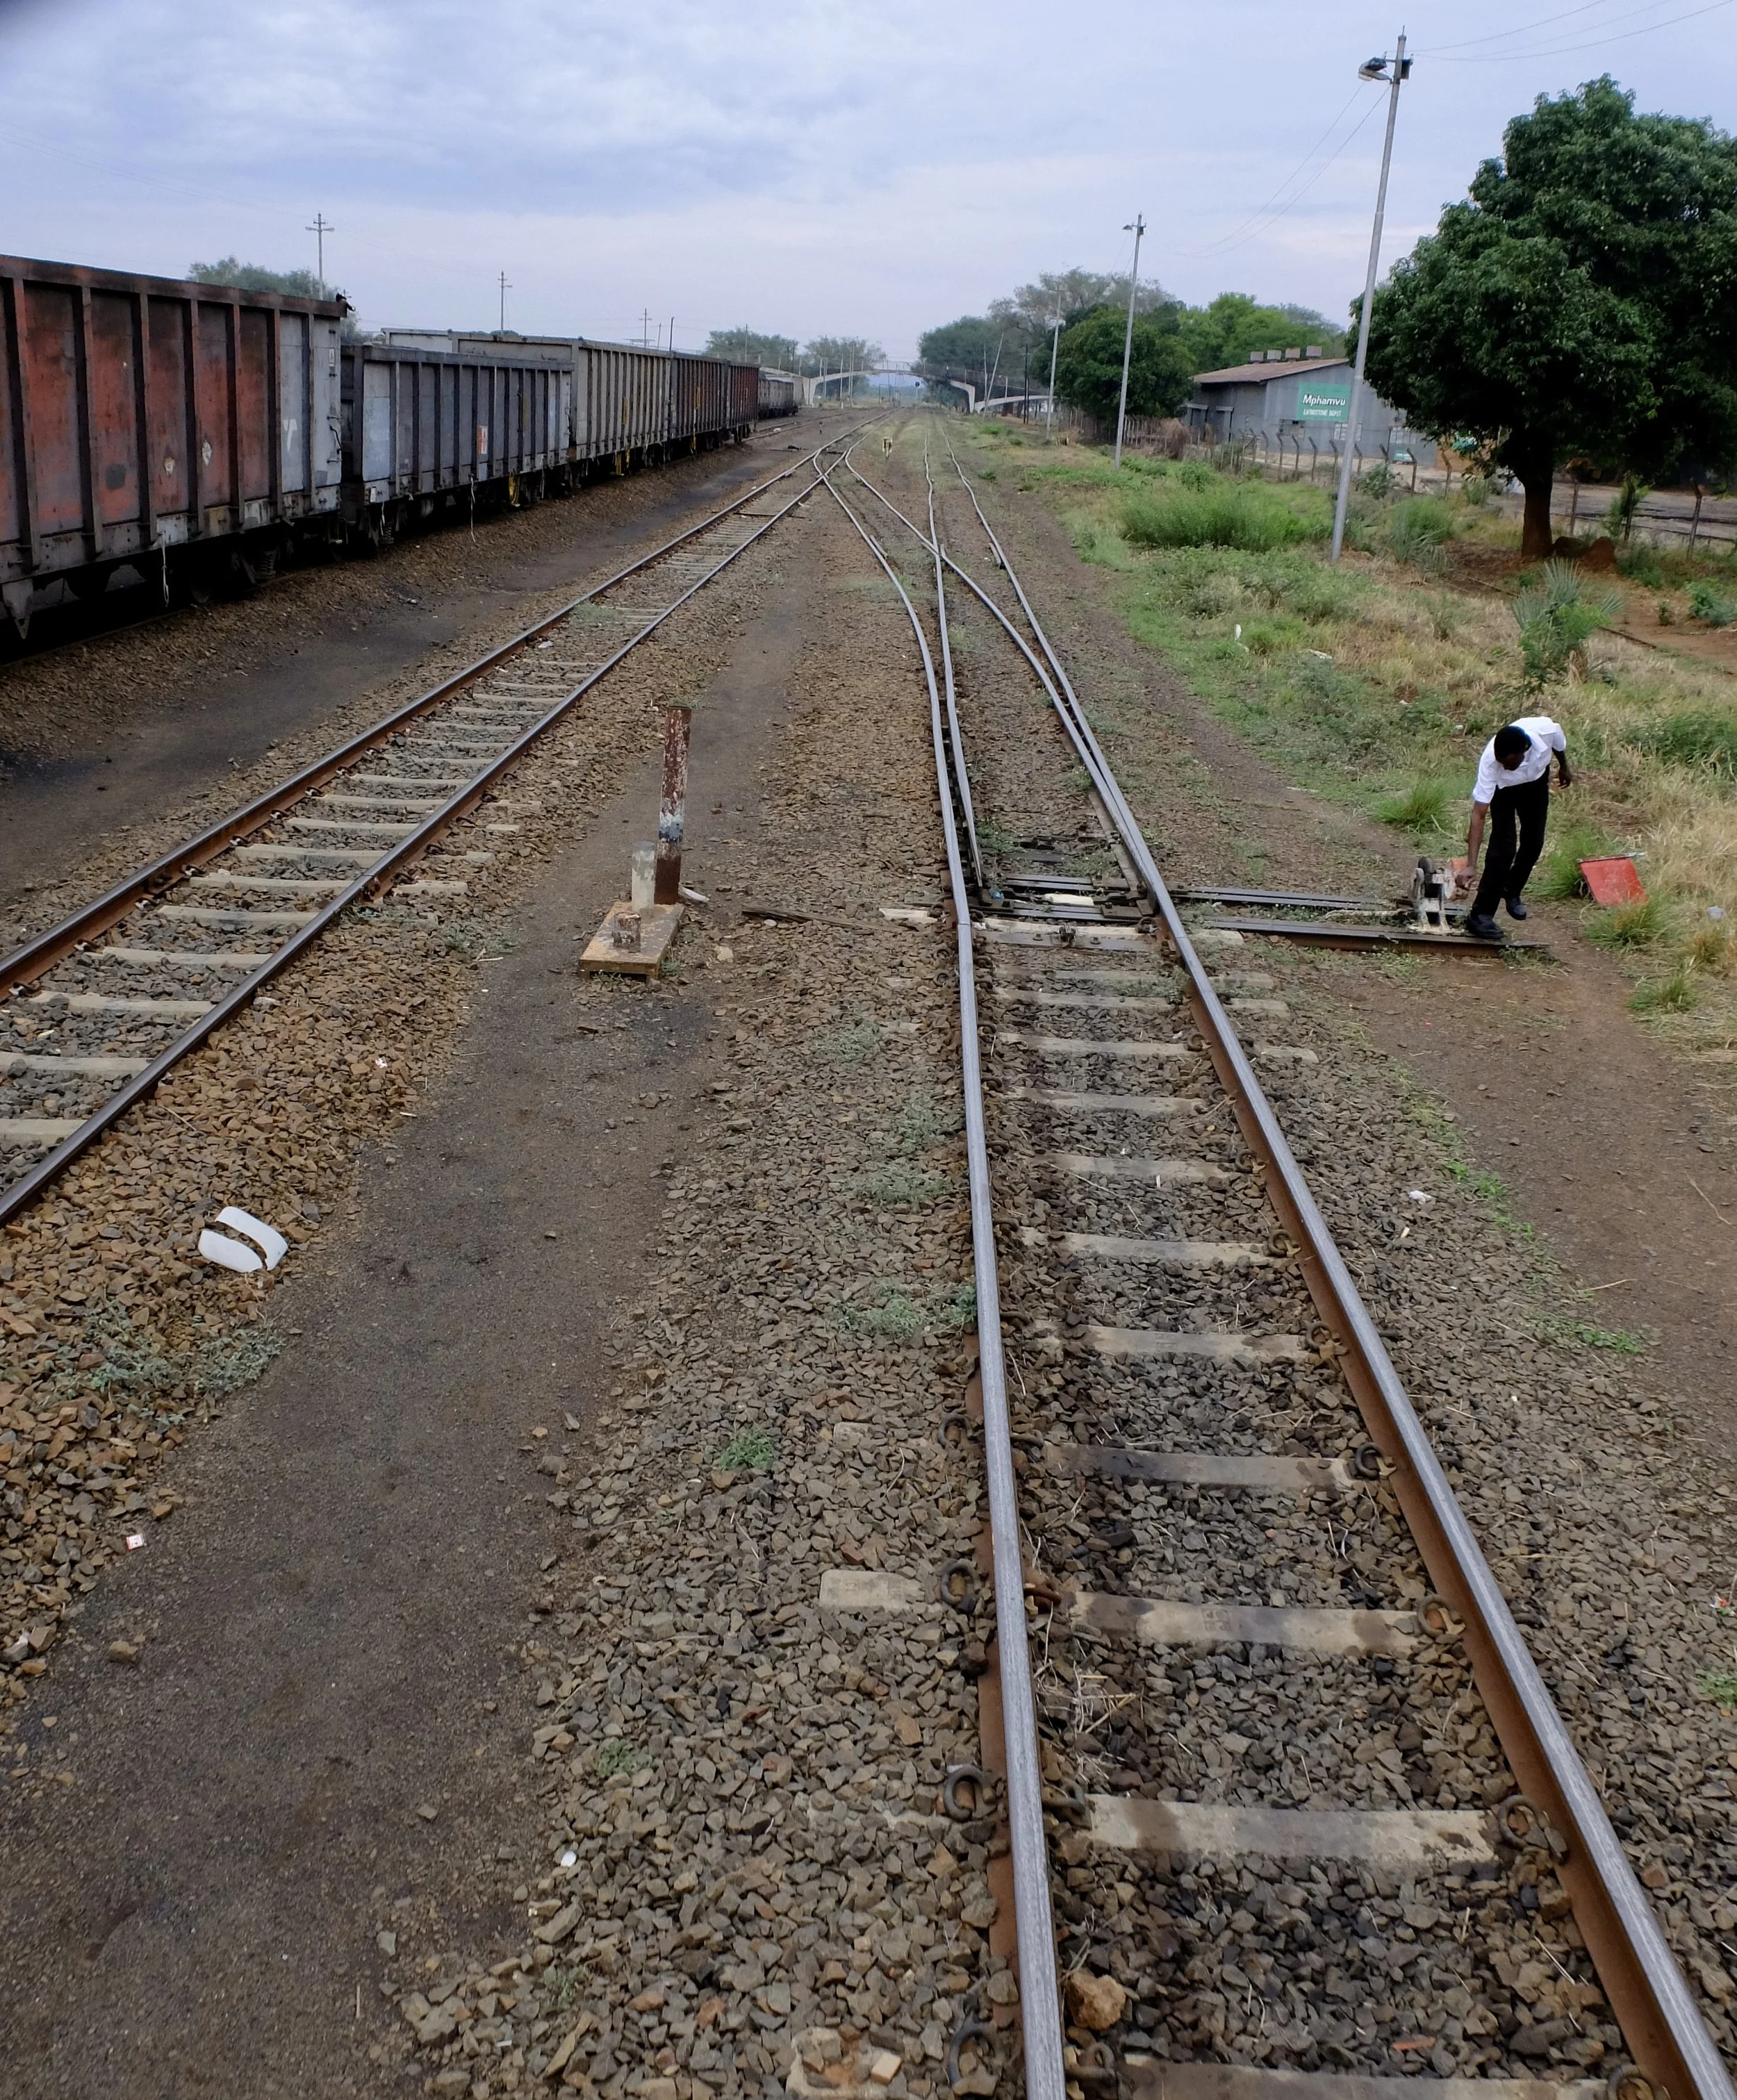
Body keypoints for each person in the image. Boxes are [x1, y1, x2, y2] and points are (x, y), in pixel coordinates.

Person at [1460, 715, 1572, 941]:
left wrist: (1564, 767)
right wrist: (1471, 865)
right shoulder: (1491, 761)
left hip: (1536, 784)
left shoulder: (1546, 730)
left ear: (1524, 751)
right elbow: (1479, 814)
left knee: (1534, 843)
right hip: (1504, 791)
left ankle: (1511, 890)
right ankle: (1481, 915)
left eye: (1509, 763)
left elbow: (1559, 745)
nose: (1504, 766)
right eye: (1501, 762)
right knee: (1503, 849)